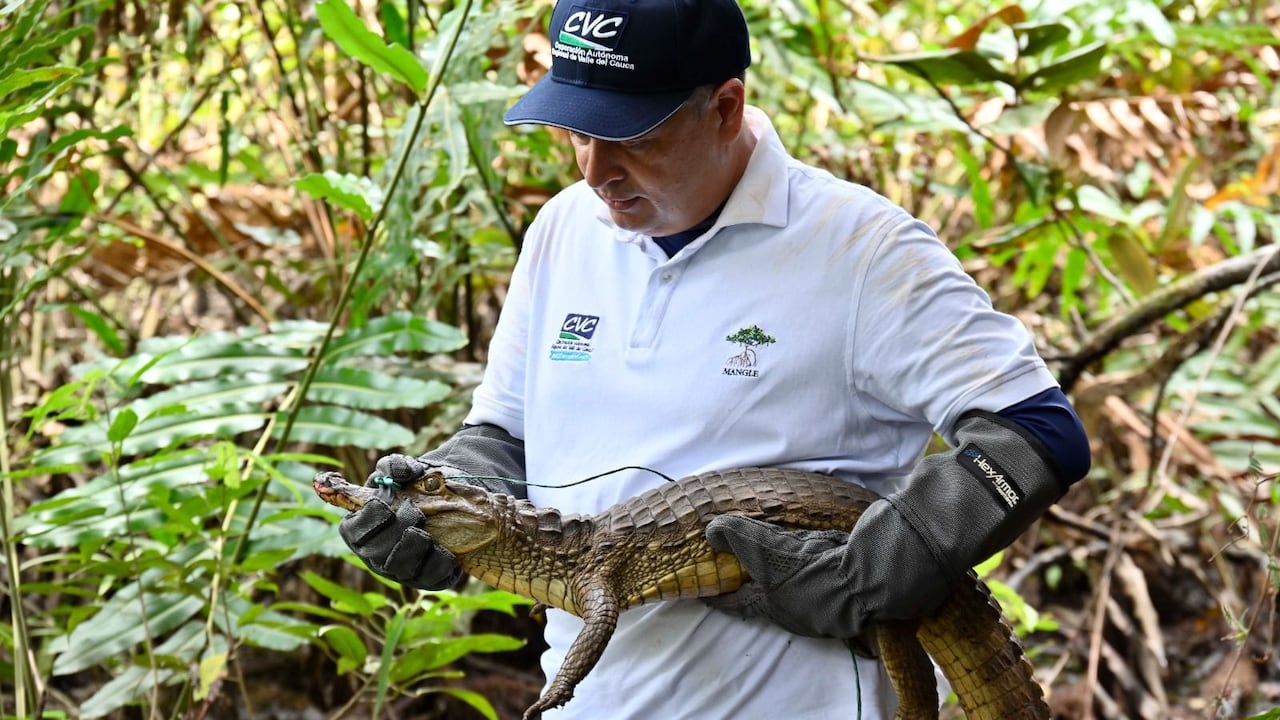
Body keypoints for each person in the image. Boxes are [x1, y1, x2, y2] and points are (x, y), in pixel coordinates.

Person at [337, 0, 1091, 717]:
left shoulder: (863, 249)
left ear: (725, 107)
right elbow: (508, 435)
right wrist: (433, 504)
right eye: (577, 133)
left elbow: (1033, 432)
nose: (596, 172)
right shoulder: (563, 230)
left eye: (632, 136)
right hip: (595, 703)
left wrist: (875, 573)